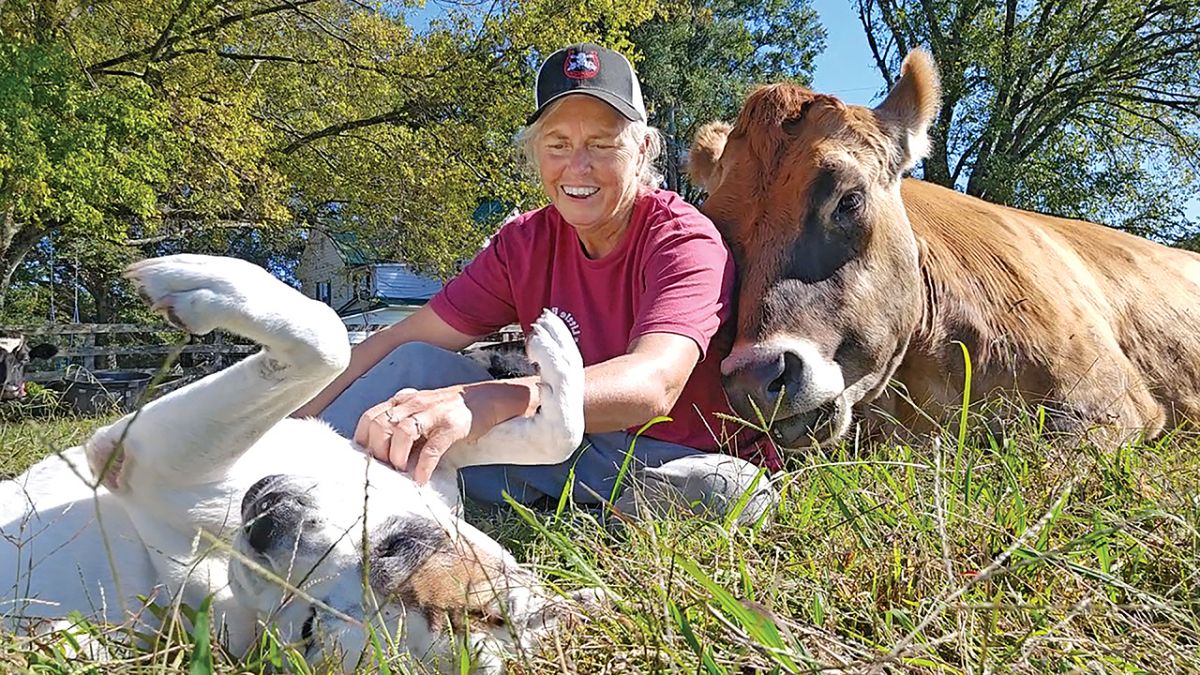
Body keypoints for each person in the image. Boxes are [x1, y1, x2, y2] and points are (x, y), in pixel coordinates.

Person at [292, 43, 780, 525]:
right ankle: (288, 479)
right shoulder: (523, 242)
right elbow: (402, 337)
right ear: (536, 152)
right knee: (413, 365)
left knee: (728, 489)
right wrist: (281, 418)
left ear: (643, 149)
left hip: (664, 453)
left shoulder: (683, 239)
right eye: (558, 144)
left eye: (602, 143)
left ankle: (591, 517)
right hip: (557, 440)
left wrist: (483, 401)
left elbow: (653, 384)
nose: (578, 166)